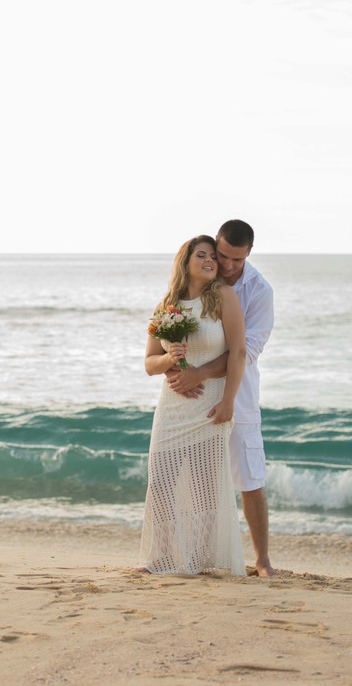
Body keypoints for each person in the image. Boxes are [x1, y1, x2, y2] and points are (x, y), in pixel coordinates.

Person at [165, 219, 276, 576]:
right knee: (197, 480)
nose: (227, 266)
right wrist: (175, 371)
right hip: (194, 400)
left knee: (249, 478)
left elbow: (247, 351)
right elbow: (173, 338)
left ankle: (262, 560)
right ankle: (196, 555)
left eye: (236, 261)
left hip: (238, 397)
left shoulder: (259, 291)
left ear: (248, 255)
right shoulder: (198, 281)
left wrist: (199, 373)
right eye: (223, 256)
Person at [139, 235, 246, 576]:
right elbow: (149, 363)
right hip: (171, 408)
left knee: (204, 489)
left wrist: (229, 400)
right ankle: (162, 557)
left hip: (209, 406)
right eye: (201, 255)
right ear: (185, 261)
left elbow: (239, 352)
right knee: (160, 484)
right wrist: (169, 357)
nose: (210, 260)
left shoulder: (224, 297)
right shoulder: (166, 305)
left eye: (213, 256)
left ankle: (200, 560)